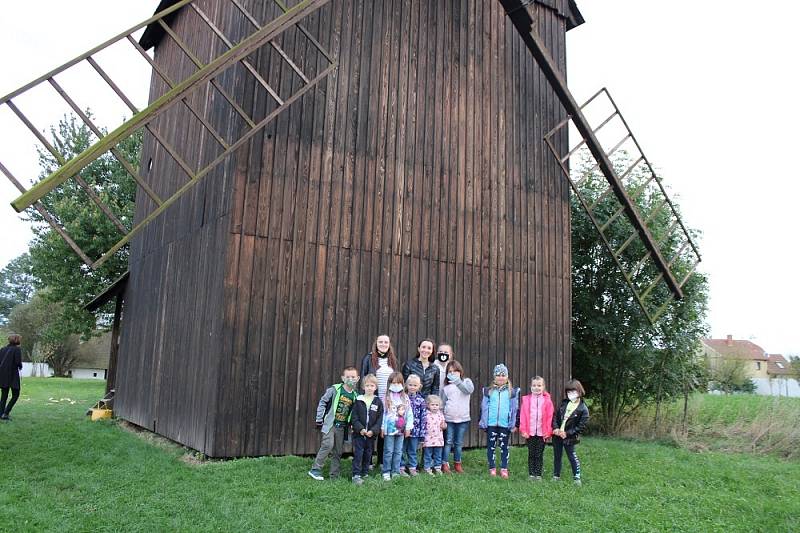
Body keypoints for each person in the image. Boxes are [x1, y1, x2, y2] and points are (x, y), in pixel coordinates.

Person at [308, 366, 359, 480]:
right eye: (348, 377)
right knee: (328, 444)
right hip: (330, 424)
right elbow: (323, 402)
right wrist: (319, 419)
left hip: (342, 427)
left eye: (353, 377)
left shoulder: (355, 396)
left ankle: (334, 475)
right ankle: (315, 469)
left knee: (338, 451)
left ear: (357, 378)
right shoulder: (335, 389)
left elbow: (353, 413)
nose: (350, 379)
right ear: (342, 378)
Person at [360, 334, 398, 467]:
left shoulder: (392, 360)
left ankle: (381, 460)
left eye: (386, 342)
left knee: (384, 430)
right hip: (373, 399)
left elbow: (396, 380)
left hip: (388, 400)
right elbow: (364, 378)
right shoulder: (368, 358)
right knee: (371, 429)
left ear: (389, 344)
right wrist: (363, 399)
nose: (383, 344)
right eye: (380, 342)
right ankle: (368, 461)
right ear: (376, 344)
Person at [478, 363, 520, 479]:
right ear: (494, 377)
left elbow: (515, 409)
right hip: (491, 423)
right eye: (498, 375)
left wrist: (514, 423)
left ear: (507, 376)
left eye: (503, 375)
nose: (500, 377)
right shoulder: (489, 391)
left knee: (504, 446)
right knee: (491, 446)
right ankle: (492, 468)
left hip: (504, 424)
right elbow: (483, 407)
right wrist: (483, 422)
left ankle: (504, 468)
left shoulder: (512, 392)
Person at [552, 379, 590, 485]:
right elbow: (555, 416)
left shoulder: (583, 409)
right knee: (557, 456)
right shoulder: (564, 403)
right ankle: (556, 475)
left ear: (579, 391)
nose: (571, 394)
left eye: (573, 392)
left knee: (572, 456)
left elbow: (581, 427)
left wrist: (567, 433)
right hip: (557, 435)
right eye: (569, 392)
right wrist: (555, 428)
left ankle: (577, 477)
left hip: (570, 437)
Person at [441, 360, 474, 473]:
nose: (453, 373)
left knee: (458, 443)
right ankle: (444, 464)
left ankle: (457, 464)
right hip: (449, 419)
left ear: (460, 371)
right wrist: (442, 418)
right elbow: (442, 404)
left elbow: (468, 390)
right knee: (448, 442)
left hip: (463, 419)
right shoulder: (446, 388)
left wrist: (458, 382)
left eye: (455, 371)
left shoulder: (466, 382)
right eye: (450, 372)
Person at [519, 376, 555, 480]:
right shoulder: (526, 400)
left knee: (539, 454)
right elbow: (523, 416)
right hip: (529, 433)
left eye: (539, 385)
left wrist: (548, 432)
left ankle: (538, 474)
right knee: (531, 453)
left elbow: (550, 417)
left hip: (541, 433)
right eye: (534, 385)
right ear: (531, 387)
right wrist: (523, 430)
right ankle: (531, 474)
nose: (536, 387)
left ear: (543, 387)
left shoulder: (547, 401)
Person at [350, 374, 383, 485]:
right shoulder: (358, 400)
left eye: (372, 385)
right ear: (363, 387)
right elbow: (354, 417)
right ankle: (356, 474)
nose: (369, 387)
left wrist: (373, 431)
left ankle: (365, 472)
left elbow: (379, 419)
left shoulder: (378, 402)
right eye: (367, 385)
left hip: (371, 434)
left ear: (376, 387)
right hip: (359, 433)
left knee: (368, 453)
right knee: (359, 453)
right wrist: (360, 429)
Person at [381, 371, 412, 480]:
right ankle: (386, 471)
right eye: (393, 383)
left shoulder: (405, 398)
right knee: (389, 450)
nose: (396, 385)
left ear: (402, 384)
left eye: (398, 383)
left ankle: (395, 471)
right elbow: (384, 413)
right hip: (389, 430)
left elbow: (409, 414)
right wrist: (382, 427)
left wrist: (408, 427)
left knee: (398, 451)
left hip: (401, 430)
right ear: (389, 384)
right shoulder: (386, 398)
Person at [399, 374, 427, 476]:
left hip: (415, 431)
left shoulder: (421, 401)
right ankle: (401, 467)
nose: (412, 387)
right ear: (406, 385)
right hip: (403, 429)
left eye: (415, 385)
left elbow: (423, 418)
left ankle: (412, 467)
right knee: (402, 449)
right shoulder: (403, 399)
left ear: (419, 386)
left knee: (412, 450)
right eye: (410, 385)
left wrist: (422, 433)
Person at [0, 334, 23, 421]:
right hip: (12, 375)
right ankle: (5, 413)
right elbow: (18, 363)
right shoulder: (17, 349)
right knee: (16, 394)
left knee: (4, 395)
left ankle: (1, 413)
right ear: (16, 340)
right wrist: (20, 366)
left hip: (2, 375)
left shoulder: (2, 349)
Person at [422, 395, 446, 475]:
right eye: (432, 405)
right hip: (428, 438)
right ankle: (427, 468)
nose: (435, 407)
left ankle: (437, 467)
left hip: (438, 438)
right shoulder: (426, 414)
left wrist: (444, 426)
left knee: (438, 454)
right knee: (428, 454)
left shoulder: (440, 414)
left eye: (436, 405)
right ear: (428, 405)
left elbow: (444, 424)